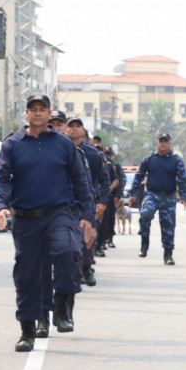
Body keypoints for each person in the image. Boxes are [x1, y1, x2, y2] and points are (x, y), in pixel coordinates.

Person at [0, 95, 95, 352]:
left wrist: (88, 217)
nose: (38, 114)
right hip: (25, 218)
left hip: (58, 212)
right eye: (33, 110)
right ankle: (27, 329)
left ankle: (62, 304)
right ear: (26, 114)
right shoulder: (13, 144)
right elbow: (1, 177)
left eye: (42, 110)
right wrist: (1, 206)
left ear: (49, 114)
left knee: (68, 250)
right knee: (28, 275)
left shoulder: (63, 144)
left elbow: (80, 180)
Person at [128, 132, 186, 265]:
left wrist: (184, 196)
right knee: (145, 214)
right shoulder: (149, 159)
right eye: (161, 141)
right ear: (157, 143)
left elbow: (183, 179)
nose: (163, 144)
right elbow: (139, 176)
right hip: (151, 194)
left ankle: (168, 254)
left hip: (168, 196)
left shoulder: (176, 160)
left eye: (165, 141)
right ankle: (144, 242)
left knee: (168, 225)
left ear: (170, 143)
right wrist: (132, 193)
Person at [66, 117, 110, 287]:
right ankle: (71, 273)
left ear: (83, 131)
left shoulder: (92, 154)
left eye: (78, 126)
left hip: (86, 202)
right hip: (64, 201)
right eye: (71, 126)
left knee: (87, 239)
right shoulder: (60, 150)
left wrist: (102, 202)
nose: (74, 129)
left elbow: (104, 180)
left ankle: (86, 267)